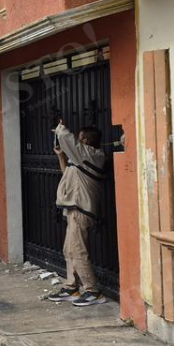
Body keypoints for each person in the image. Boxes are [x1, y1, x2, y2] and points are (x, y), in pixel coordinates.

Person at [44, 120, 108, 306]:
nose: (77, 144)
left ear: (86, 142)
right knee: (69, 249)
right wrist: (61, 156)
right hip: (74, 209)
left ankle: (93, 291)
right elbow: (68, 173)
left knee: (78, 250)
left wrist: (60, 129)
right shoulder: (82, 158)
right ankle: (72, 287)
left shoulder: (92, 155)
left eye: (80, 140)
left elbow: (65, 137)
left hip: (82, 210)